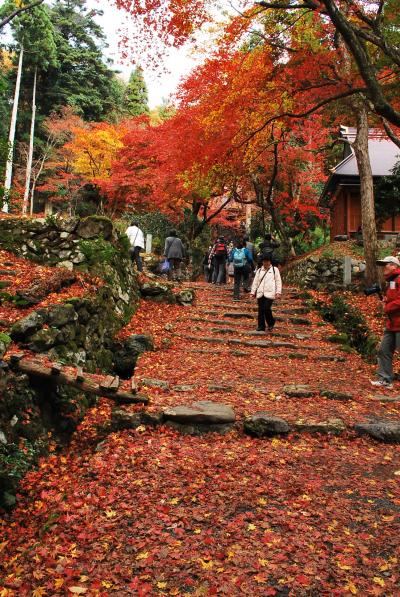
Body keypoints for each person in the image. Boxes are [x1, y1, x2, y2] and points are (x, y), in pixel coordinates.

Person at [370, 255, 400, 389]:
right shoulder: (391, 281)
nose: (384, 268)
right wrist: (386, 301)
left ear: (394, 266)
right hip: (392, 324)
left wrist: (387, 306)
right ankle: (385, 379)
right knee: (384, 350)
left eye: (386, 264)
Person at [251, 252, 282, 332]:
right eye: (264, 261)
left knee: (266, 308)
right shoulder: (259, 270)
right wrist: (253, 292)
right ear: (262, 262)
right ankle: (261, 326)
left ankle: (271, 322)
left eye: (267, 261)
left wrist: (278, 292)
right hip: (260, 292)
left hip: (270, 292)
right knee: (261, 310)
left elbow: (278, 281)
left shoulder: (275, 270)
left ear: (270, 261)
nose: (266, 263)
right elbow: (255, 282)